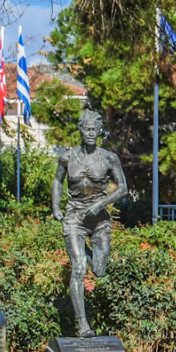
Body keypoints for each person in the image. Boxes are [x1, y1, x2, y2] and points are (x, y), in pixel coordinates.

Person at [52, 109, 126, 337]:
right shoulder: (67, 157)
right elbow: (58, 180)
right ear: (81, 131)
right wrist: (56, 207)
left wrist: (102, 203)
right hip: (75, 217)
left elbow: (123, 188)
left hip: (99, 219)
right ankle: (83, 325)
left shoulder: (109, 158)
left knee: (99, 270)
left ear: (100, 131)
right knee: (79, 268)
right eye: (87, 129)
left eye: (95, 129)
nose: (91, 133)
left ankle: (86, 251)